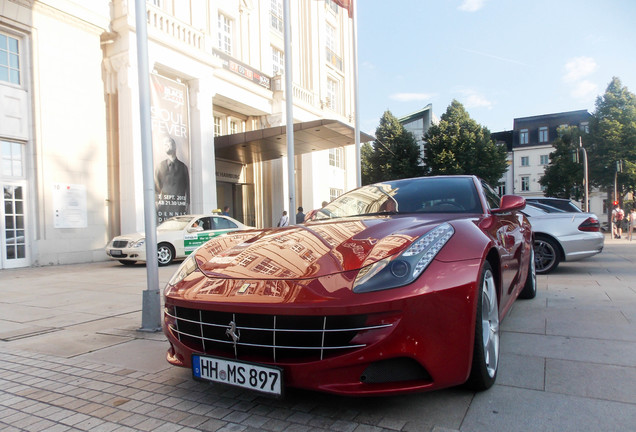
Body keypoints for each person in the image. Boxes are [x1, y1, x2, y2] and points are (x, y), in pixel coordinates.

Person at [155, 135, 190, 219]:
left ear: (174, 146)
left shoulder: (183, 167)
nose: (166, 145)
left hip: (179, 208)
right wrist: (156, 202)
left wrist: (187, 203)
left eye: (168, 143)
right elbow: (155, 186)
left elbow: (187, 187)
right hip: (164, 208)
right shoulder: (160, 166)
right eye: (164, 144)